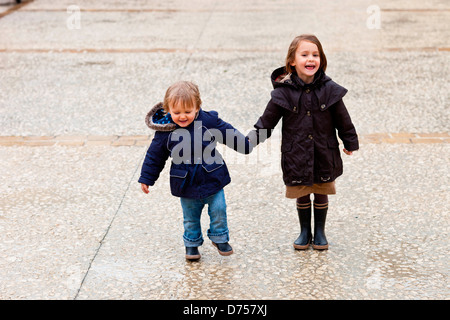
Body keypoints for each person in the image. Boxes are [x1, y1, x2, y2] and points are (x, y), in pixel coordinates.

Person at [247, 34, 359, 250]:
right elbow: (267, 121)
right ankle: (304, 231)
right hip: (296, 153)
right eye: (304, 54)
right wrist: (251, 140)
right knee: (301, 190)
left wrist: (350, 141)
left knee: (321, 189)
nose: (311, 59)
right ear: (292, 61)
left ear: (321, 59)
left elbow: (343, 120)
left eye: (315, 55)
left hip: (323, 152)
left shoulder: (330, 90)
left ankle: (319, 231)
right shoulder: (283, 92)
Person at [139, 81, 252, 261]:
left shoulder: (208, 121)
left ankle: (220, 238)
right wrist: (147, 178)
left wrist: (244, 144)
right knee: (190, 217)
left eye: (188, 112)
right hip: (185, 182)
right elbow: (154, 156)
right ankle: (191, 245)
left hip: (212, 177)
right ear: (168, 110)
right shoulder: (165, 132)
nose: (182, 116)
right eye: (176, 113)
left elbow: (227, 132)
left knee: (219, 209)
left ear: (197, 107)